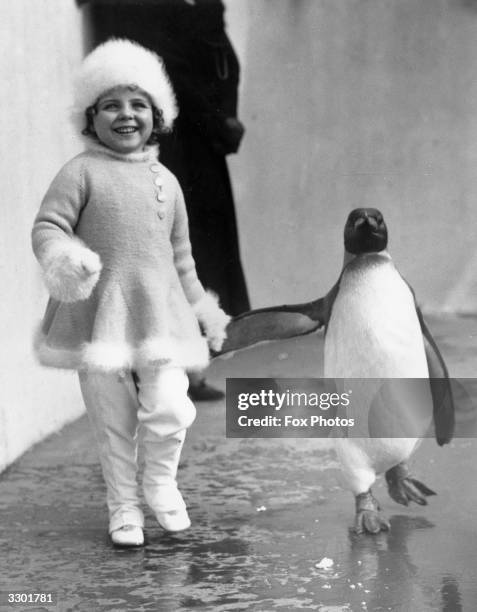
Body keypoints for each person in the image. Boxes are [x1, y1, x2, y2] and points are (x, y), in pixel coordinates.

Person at [31, 39, 230, 547]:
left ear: (157, 115)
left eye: (138, 103)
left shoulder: (167, 181)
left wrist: (202, 312)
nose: (126, 114)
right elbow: (49, 227)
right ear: (89, 116)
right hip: (98, 315)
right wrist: (64, 258)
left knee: (170, 405)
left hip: (158, 316)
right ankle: (124, 507)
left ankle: (160, 482)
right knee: (113, 419)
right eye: (112, 104)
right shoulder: (80, 173)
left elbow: (182, 258)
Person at [83, 0, 251, 401]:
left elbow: (220, 62)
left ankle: (190, 369)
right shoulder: (143, 9)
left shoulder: (201, 8)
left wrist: (226, 118)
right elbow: (169, 75)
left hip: (201, 149)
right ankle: (158, 373)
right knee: (161, 256)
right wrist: (219, 121)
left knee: (199, 259)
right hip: (171, 146)